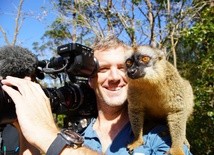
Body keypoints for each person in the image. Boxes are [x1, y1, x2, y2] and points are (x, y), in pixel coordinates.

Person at [1, 35, 192, 155]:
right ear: (90, 78)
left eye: (123, 67)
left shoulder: (158, 137)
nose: (115, 77)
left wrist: (53, 140)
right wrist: (23, 127)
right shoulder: (78, 134)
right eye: (104, 69)